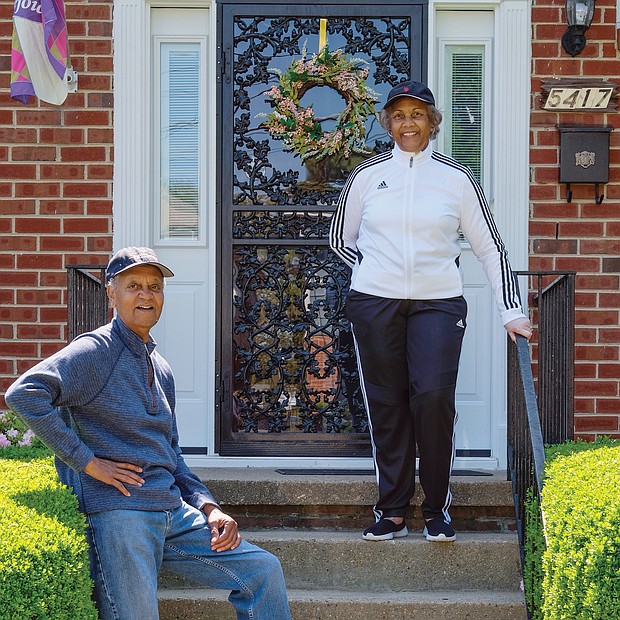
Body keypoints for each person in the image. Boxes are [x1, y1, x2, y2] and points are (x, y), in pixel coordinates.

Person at [5, 247, 291, 620]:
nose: (146, 295)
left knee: (263, 571)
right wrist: (87, 462)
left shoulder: (161, 366)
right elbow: (23, 394)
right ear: (111, 292)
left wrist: (209, 506)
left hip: (173, 512)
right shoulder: (95, 351)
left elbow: (171, 454)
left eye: (154, 287)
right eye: (134, 286)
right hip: (121, 513)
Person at [329, 81, 532, 543]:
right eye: (398, 115)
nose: (408, 123)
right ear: (388, 124)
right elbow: (342, 238)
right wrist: (374, 269)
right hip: (375, 303)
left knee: (434, 399)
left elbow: (489, 248)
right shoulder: (367, 175)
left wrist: (510, 311)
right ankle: (393, 509)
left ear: (432, 122)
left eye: (417, 115)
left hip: (438, 302)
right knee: (387, 404)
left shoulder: (457, 179)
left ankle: (437, 507)